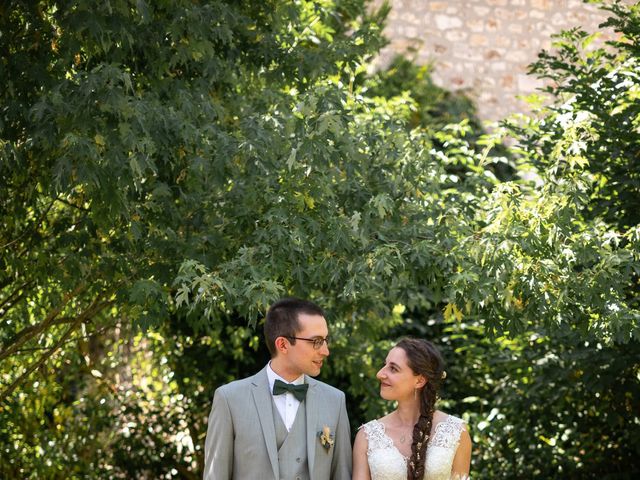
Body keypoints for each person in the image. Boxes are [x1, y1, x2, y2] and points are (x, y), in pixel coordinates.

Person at [203, 297, 352, 480]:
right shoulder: (229, 399)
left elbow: (342, 474)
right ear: (282, 344)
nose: (325, 351)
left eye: (325, 340)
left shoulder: (335, 400)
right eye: (316, 341)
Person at [352, 337, 471, 480]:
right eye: (384, 365)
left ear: (419, 380)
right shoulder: (367, 436)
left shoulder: (455, 432)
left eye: (393, 369)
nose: (380, 374)